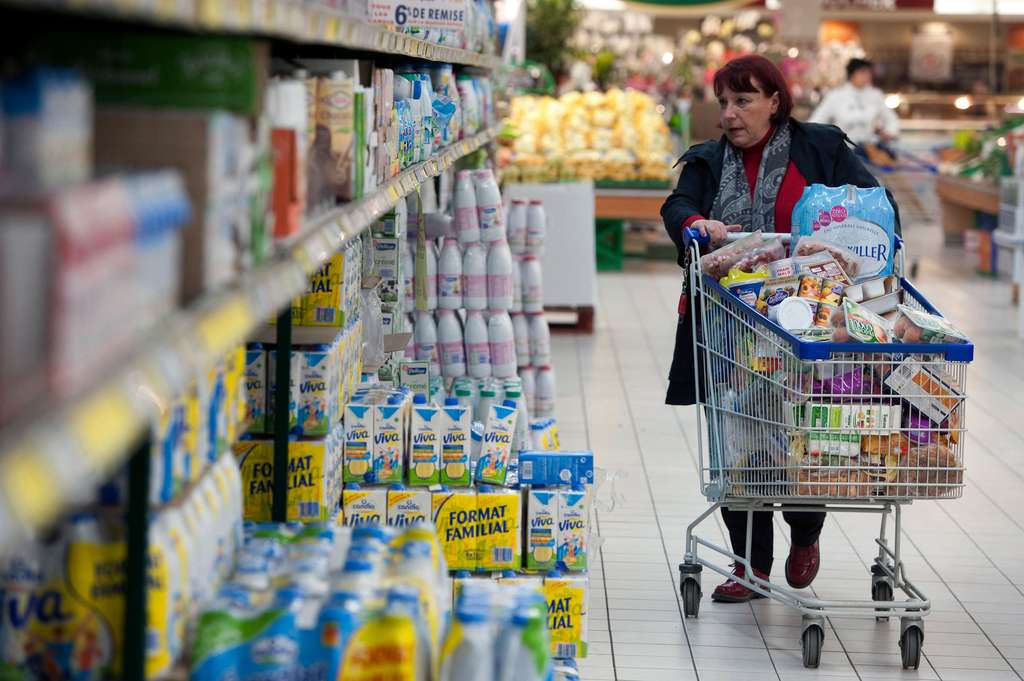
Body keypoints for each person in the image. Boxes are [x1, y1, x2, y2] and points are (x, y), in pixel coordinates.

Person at [660, 54, 900, 603]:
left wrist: (872, 274)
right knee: (737, 442)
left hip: (810, 327)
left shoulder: (820, 148)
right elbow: (677, 207)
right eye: (723, 102)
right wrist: (697, 225)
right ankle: (750, 566)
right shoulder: (706, 159)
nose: (730, 114)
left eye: (743, 101)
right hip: (726, 325)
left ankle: (806, 532)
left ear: (775, 101)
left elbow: (874, 206)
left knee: (801, 435)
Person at [810, 58, 900, 164]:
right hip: (845, 147)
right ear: (852, 74)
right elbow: (817, 120)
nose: (867, 76)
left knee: (889, 159)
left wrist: (889, 132)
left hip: (871, 144)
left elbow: (891, 118)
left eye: (868, 73)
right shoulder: (836, 96)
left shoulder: (875, 95)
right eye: (862, 72)